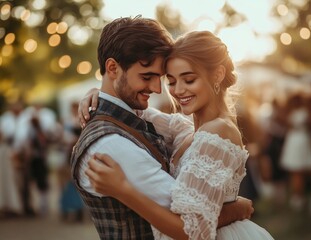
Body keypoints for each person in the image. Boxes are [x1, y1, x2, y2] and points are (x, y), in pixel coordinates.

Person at [71, 16, 253, 240]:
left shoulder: (214, 131)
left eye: (188, 79)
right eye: (171, 81)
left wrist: (123, 190)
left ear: (217, 75)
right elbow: (138, 115)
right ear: (112, 68)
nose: (161, 89)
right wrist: (99, 94)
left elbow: (192, 223)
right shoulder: (177, 132)